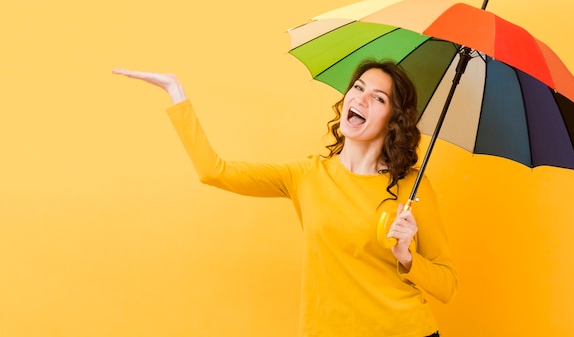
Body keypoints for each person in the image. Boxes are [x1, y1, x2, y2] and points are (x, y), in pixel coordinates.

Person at [113, 60, 457, 337]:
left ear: (393, 121)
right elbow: (213, 171)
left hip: (405, 331)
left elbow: (446, 285)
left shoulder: (411, 188)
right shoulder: (305, 175)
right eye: (358, 88)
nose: (361, 99)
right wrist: (176, 93)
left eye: (379, 98)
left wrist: (408, 257)